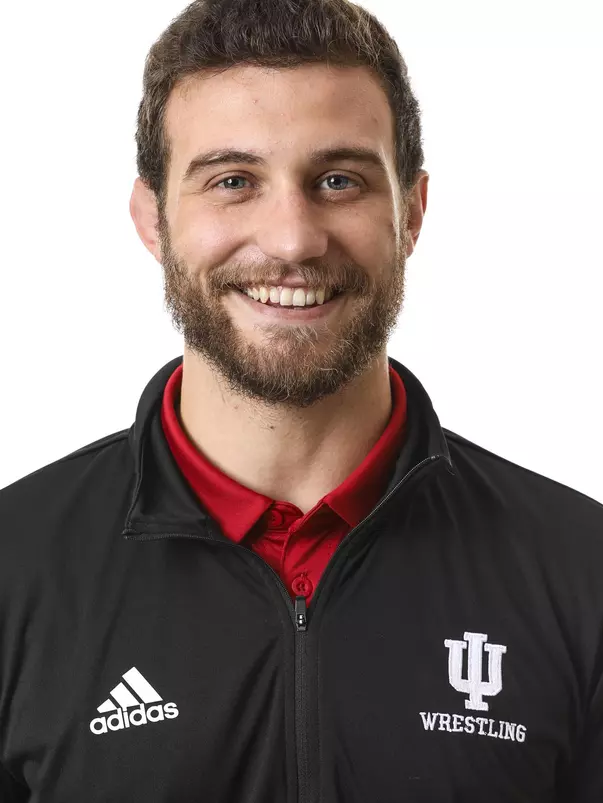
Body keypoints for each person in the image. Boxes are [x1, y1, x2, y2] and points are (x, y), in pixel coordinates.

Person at [0, 0, 602, 800]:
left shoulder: (580, 570)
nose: (291, 239)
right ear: (153, 219)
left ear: (411, 212)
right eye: (232, 181)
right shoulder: (15, 566)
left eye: (338, 180)